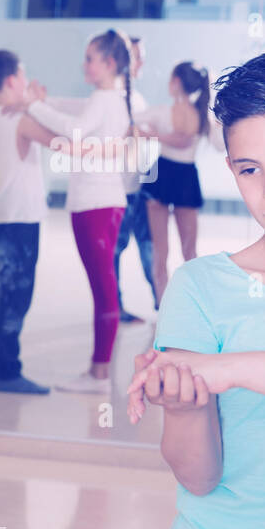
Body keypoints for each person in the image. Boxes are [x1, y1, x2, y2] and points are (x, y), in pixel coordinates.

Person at [124, 46, 265, 529]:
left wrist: (224, 369)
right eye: (249, 169)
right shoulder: (202, 287)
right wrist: (184, 400)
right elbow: (199, 478)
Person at [16, 29, 138, 393]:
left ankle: (99, 376)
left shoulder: (105, 99)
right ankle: (97, 371)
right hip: (98, 203)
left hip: (96, 205)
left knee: (103, 289)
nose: (84, 64)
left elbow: (76, 129)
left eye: (90, 58)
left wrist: (34, 107)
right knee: (103, 288)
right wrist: (44, 101)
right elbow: (76, 111)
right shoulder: (109, 98)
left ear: (110, 63)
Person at [0, 49, 53, 394]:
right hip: (21, 222)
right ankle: (9, 371)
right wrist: (36, 104)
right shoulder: (19, 120)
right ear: (12, 81)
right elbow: (62, 140)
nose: (27, 83)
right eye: (23, 77)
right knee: (17, 298)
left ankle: (1, 365)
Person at [138, 61, 212, 301]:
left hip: (180, 176)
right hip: (168, 174)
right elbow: (135, 122)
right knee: (166, 250)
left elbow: (184, 140)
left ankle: (187, 302)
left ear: (177, 82)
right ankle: (165, 304)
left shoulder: (199, 114)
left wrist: (153, 134)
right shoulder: (194, 114)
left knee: (181, 249)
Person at [114, 35, 157, 323]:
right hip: (120, 191)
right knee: (116, 251)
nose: (141, 62)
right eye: (136, 56)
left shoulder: (136, 98)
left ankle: (164, 305)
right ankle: (114, 309)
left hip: (138, 187)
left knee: (148, 246)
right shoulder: (114, 99)